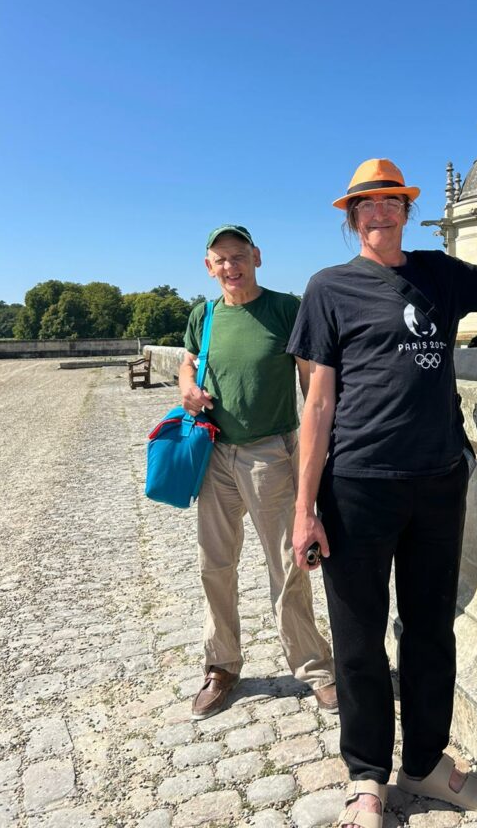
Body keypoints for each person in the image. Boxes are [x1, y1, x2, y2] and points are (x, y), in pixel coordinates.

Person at [287, 160, 477, 828]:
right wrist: (305, 509)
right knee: (359, 641)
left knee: (430, 633)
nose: (379, 213)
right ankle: (367, 775)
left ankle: (424, 762)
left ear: (406, 210)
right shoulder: (329, 288)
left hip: (437, 483)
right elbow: (318, 404)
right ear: (352, 218)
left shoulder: (439, 273)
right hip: (356, 488)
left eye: (391, 202)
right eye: (367, 205)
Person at [179, 224, 337, 720]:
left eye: (239, 256)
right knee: (214, 564)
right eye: (221, 259)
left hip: (271, 453)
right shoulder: (203, 315)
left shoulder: (286, 309)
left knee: (289, 564)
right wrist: (186, 386)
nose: (231, 266)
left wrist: (319, 447)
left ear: (257, 258)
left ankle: (315, 667)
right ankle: (221, 666)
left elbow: (313, 385)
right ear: (209, 267)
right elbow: (188, 362)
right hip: (214, 453)